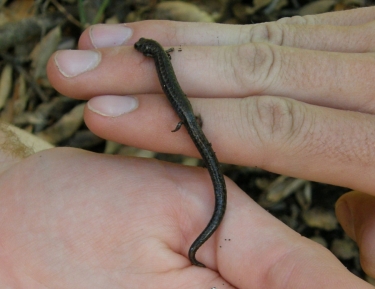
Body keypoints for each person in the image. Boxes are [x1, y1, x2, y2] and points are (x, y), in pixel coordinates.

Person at [0, 6, 373, 288]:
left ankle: (201, 236)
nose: (144, 51)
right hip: (187, 119)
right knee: (203, 149)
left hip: (188, 120)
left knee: (203, 149)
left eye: (146, 50)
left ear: (151, 53)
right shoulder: (161, 57)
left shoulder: (161, 58)